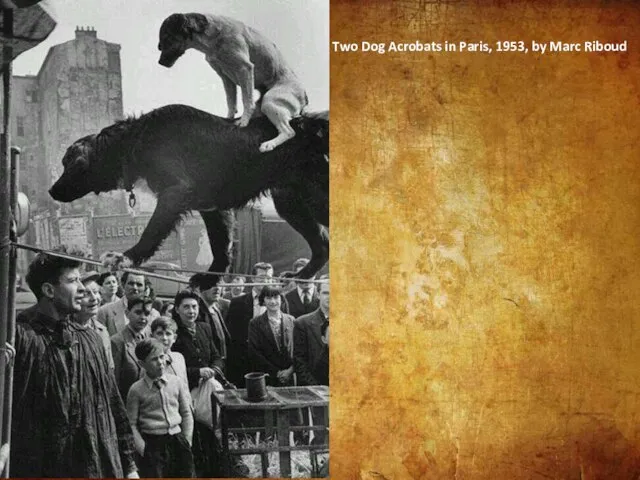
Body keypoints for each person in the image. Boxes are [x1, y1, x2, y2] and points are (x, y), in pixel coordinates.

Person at [11, 250, 139, 477]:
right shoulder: (20, 337)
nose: (82, 288)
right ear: (49, 290)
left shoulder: (90, 338)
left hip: (95, 466)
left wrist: (129, 467)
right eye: (72, 281)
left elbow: (113, 403)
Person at [171, 289, 229, 477]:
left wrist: (213, 368)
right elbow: (173, 369)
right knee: (196, 435)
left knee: (210, 432)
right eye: (186, 307)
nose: (191, 311)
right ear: (177, 310)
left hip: (208, 389)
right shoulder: (174, 334)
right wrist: (197, 372)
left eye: (194, 307)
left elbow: (216, 356)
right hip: (187, 392)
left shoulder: (204, 327)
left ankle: (215, 467)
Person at [126, 338, 195, 478]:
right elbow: (131, 424)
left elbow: (186, 413)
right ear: (142, 364)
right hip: (153, 445)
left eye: (162, 356)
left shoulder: (176, 382)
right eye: (153, 359)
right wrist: (144, 449)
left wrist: (187, 439)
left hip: (178, 441)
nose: (160, 362)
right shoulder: (136, 390)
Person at [293, 274, 330, 445]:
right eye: (326, 293)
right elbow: (299, 360)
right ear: (318, 294)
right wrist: (315, 387)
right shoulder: (303, 323)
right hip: (317, 389)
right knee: (321, 435)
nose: (330, 297)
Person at [225, 262, 273, 387]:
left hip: (270, 361)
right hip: (244, 362)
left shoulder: (279, 301)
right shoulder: (237, 303)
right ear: (253, 279)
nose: (266, 282)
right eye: (262, 278)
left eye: (269, 278)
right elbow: (231, 335)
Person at [248, 285, 295, 386]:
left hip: (290, 376)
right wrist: (276, 373)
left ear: (281, 299)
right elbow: (254, 352)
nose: (273, 301)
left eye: (276, 297)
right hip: (267, 377)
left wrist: (290, 371)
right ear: (263, 300)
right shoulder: (255, 323)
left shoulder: (291, 320)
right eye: (268, 298)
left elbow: (299, 350)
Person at [111, 295, 153, 400]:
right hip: (128, 404)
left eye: (147, 313)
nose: (143, 317)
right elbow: (114, 383)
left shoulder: (152, 338)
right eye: (138, 313)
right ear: (127, 313)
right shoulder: (117, 341)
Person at [73, 270, 114, 370]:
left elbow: (110, 368)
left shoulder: (101, 330)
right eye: (86, 294)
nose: (94, 298)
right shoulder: (67, 331)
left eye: (96, 292)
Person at [98, 271, 160, 336]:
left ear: (145, 288)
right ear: (123, 285)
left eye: (139, 285)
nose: (135, 288)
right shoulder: (105, 311)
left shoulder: (154, 315)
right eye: (131, 283)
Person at [151, 316, 188, 388]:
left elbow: (185, 385)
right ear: (152, 337)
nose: (164, 338)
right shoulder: (149, 362)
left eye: (168, 334)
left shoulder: (179, 357)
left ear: (174, 338)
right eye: (159, 333)